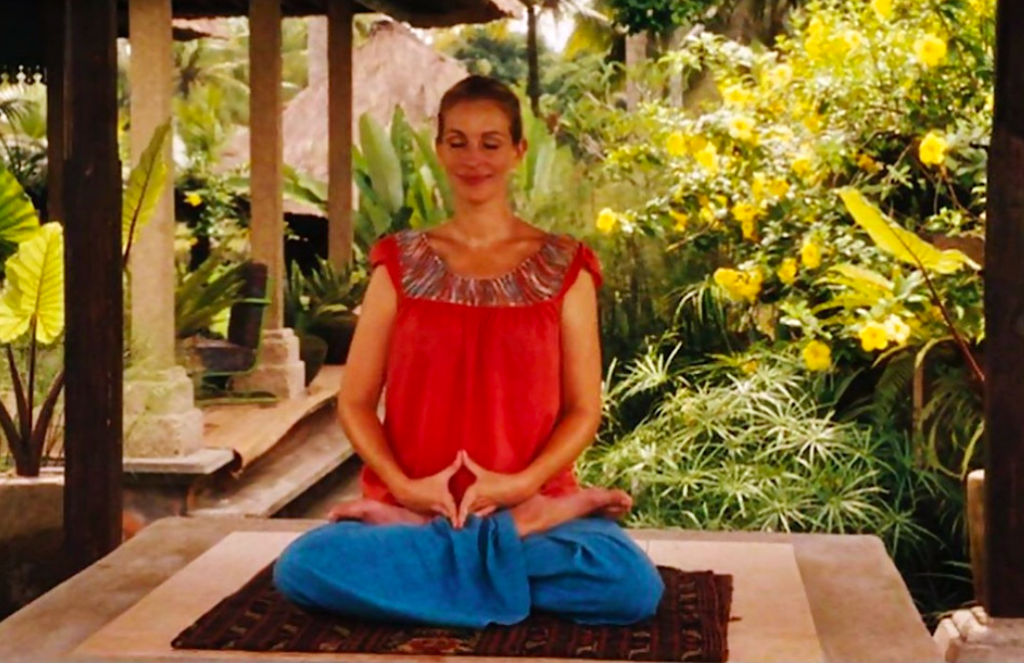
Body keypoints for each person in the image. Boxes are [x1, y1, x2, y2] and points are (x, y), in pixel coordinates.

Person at [273, 75, 664, 628]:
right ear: (438, 149)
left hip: (534, 498)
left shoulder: (565, 268)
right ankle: (501, 543)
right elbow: (356, 402)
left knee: (629, 585)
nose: (473, 158)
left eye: (490, 142)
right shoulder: (398, 266)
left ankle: (453, 553)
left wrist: (525, 487)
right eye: (457, 141)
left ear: (518, 151)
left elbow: (583, 410)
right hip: (411, 505)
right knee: (304, 567)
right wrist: (406, 490)